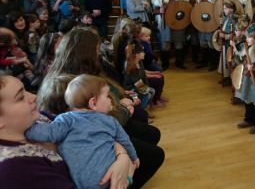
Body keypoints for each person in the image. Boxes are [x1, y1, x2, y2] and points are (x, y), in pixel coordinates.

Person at [41, 27, 164, 188]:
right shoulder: (70, 84)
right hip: (93, 140)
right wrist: (124, 110)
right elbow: (94, 123)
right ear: (85, 54)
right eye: (97, 50)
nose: (99, 54)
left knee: (149, 130)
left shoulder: (77, 74)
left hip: (102, 126)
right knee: (154, 152)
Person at [0, 75, 132, 189]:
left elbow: (91, 130)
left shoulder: (38, 117)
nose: (34, 97)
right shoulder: (15, 170)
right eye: (20, 97)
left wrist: (123, 157)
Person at [151, 0, 190, 70]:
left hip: (178, 24)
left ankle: (179, 63)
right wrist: (159, 11)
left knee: (179, 44)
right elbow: (154, 11)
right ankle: (165, 64)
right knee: (165, 45)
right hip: (165, 24)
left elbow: (186, 8)